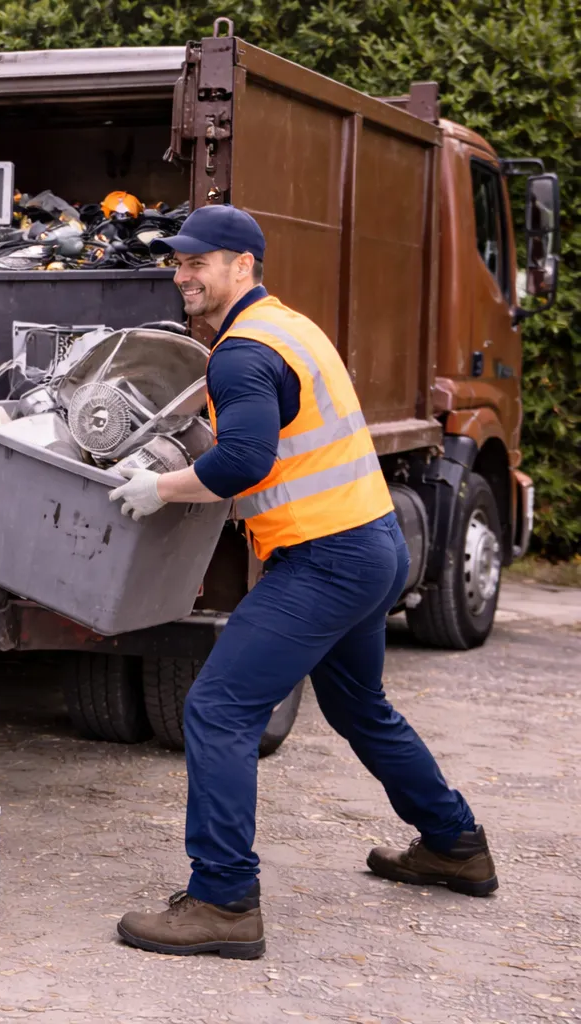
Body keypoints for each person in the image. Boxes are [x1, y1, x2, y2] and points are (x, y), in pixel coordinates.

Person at [109, 205, 493, 959]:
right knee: (361, 708)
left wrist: (163, 489)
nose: (182, 275)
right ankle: (455, 843)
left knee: (218, 710)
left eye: (198, 263)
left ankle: (222, 902)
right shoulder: (290, 325)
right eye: (178, 263)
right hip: (371, 542)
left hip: (326, 559)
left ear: (243, 266)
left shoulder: (242, 351)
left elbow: (242, 461)